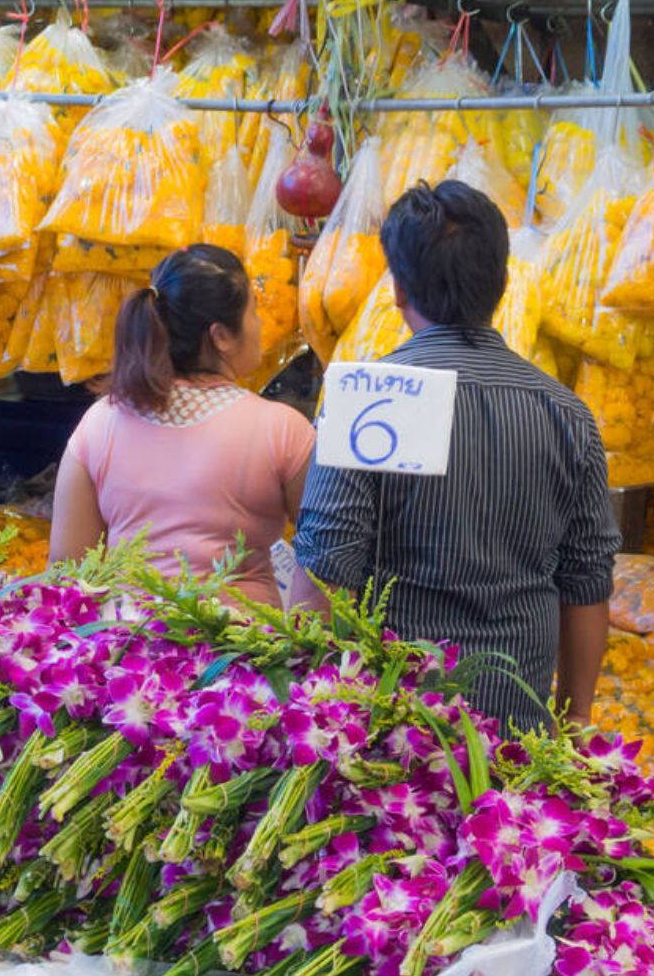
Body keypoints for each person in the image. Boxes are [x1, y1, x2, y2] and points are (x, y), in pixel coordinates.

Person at [291, 181, 622, 732]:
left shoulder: (368, 400)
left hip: (393, 734)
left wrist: (311, 710)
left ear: (397, 288)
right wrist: (579, 715)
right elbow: (587, 581)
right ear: (503, 283)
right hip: (521, 732)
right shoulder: (568, 413)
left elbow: (325, 573)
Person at [50, 244, 314, 607]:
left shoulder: (100, 423)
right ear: (220, 336)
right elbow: (325, 564)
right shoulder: (282, 429)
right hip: (241, 657)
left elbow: (66, 574)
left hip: (126, 652)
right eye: (254, 311)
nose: (261, 324)